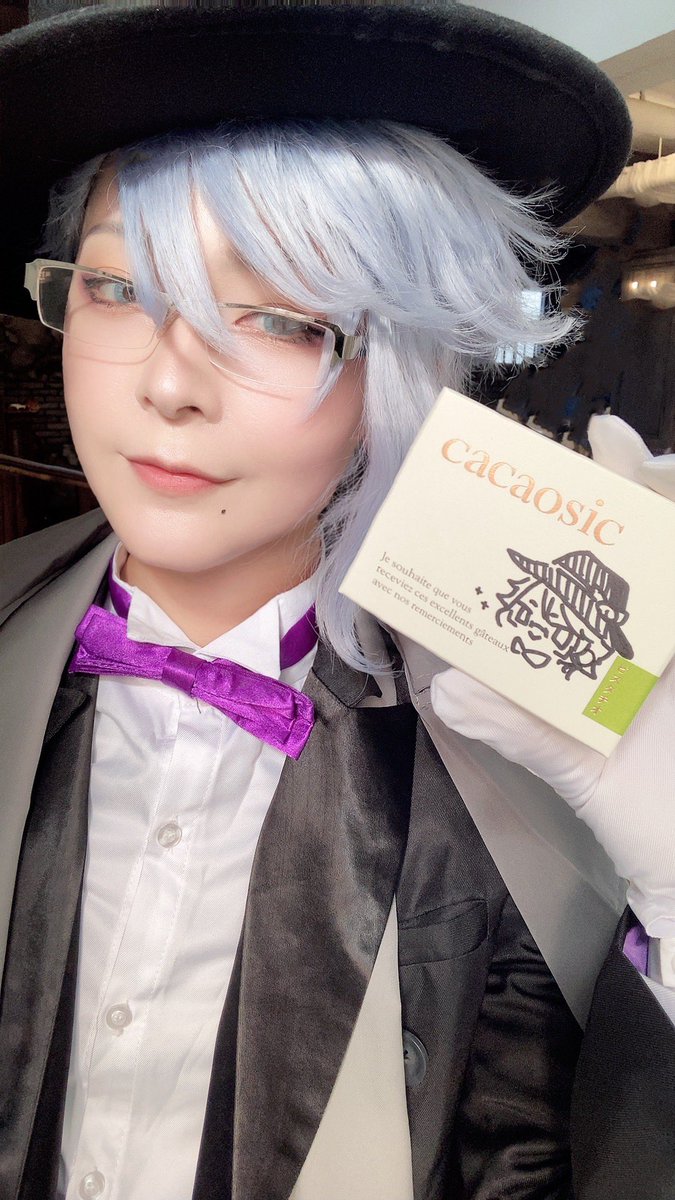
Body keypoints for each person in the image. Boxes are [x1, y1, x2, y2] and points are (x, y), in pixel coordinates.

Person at [0, 4, 672, 1199]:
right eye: (116, 287)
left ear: (411, 355)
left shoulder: (516, 768)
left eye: (278, 316)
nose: (167, 383)